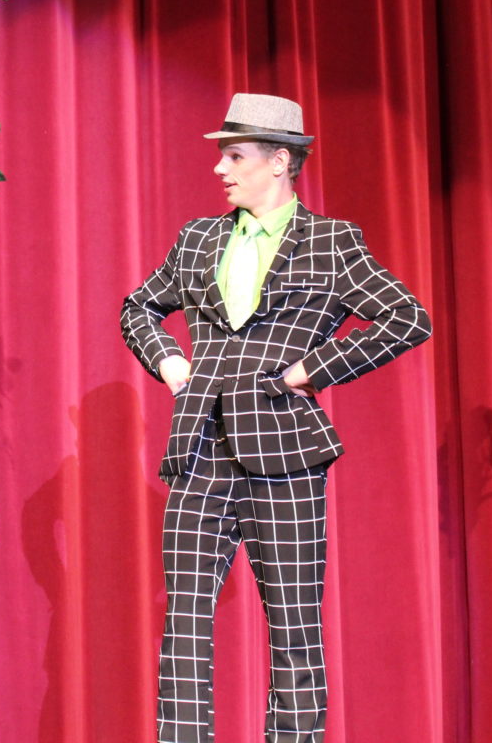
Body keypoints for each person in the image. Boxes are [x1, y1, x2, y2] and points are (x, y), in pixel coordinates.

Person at [121, 93, 432, 743]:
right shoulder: (198, 238)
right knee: (184, 624)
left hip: (286, 455)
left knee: (294, 627)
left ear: (280, 161)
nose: (220, 169)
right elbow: (138, 307)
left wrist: (312, 369)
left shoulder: (331, 242)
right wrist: (170, 363)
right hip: (200, 449)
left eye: (235, 156)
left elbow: (408, 318)